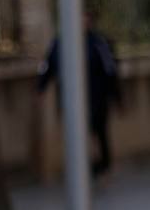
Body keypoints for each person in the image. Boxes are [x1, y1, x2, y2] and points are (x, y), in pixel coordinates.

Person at [36, 13, 122, 179]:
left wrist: (117, 97)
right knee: (77, 135)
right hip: (71, 103)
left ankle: (102, 167)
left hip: (96, 99)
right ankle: (84, 171)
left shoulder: (98, 43)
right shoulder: (61, 42)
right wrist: (41, 87)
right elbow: (48, 64)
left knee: (97, 133)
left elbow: (110, 70)